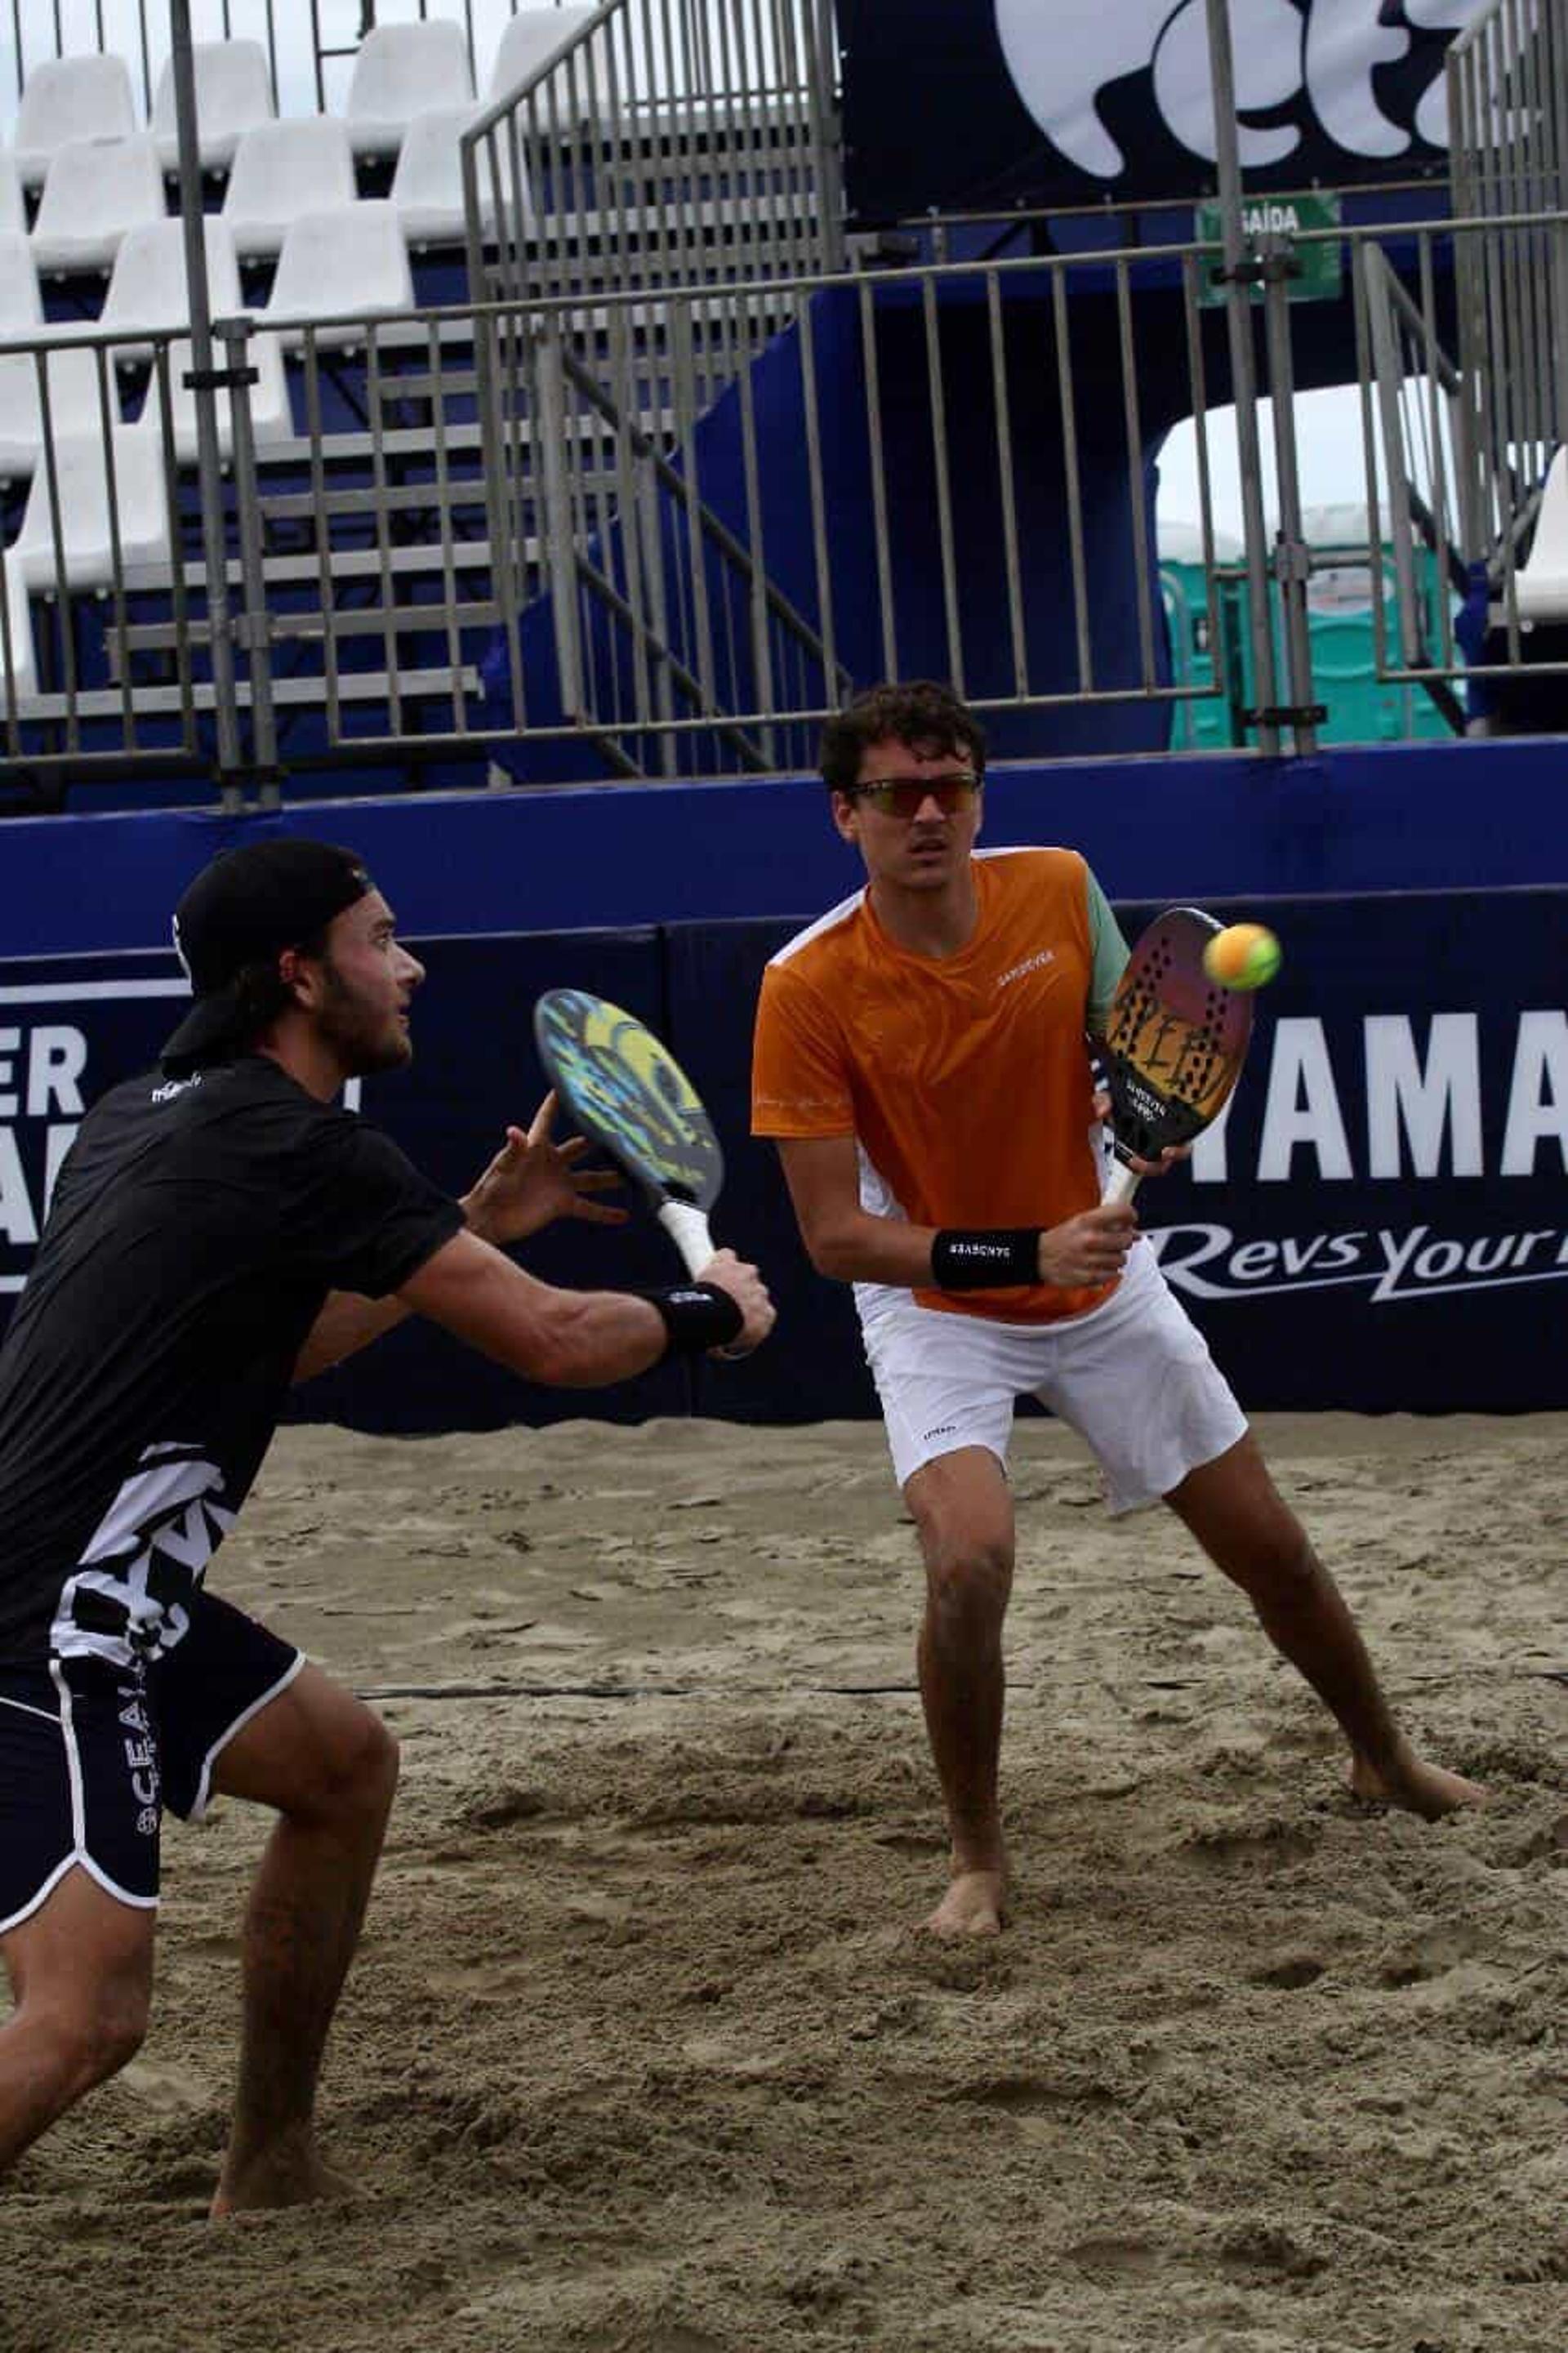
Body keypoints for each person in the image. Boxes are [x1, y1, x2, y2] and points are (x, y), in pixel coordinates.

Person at [0, 836, 773, 2207]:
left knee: (344, 1768)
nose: (409, 966)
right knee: (84, 2022)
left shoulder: (143, 1115)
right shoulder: (308, 1145)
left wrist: (479, 1219)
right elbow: (549, 1341)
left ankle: (272, 2164)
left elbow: (277, 1349)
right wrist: (711, 1309)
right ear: (297, 976)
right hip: (45, 1613)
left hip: (109, 1593)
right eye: (379, 939)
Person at [751, 680, 1482, 1941]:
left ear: (978, 794)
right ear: (844, 815)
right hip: (936, 1300)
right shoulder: (806, 985)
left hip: (1097, 1279)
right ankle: (977, 1853)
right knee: (970, 1557)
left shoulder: (1057, 884)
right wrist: (1028, 1244)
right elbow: (834, 1239)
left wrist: (1143, 1120)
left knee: (1272, 1548)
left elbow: (1133, 1049)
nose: (929, 813)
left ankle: (1385, 1758)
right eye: (896, 793)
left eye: (952, 786)